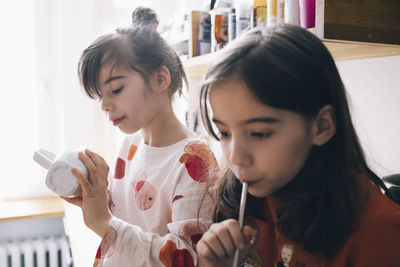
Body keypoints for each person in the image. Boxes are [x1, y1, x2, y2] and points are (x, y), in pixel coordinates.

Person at [196, 24, 400, 267]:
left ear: (321, 127)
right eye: (225, 132)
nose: (237, 157)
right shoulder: (247, 201)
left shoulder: (378, 234)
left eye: (260, 133)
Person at [62, 7, 218, 267]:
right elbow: (121, 219)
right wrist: (93, 196)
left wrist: (103, 221)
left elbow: (186, 258)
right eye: (101, 96)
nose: (104, 106)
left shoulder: (195, 161)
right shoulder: (131, 145)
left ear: (159, 79)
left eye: (116, 89)